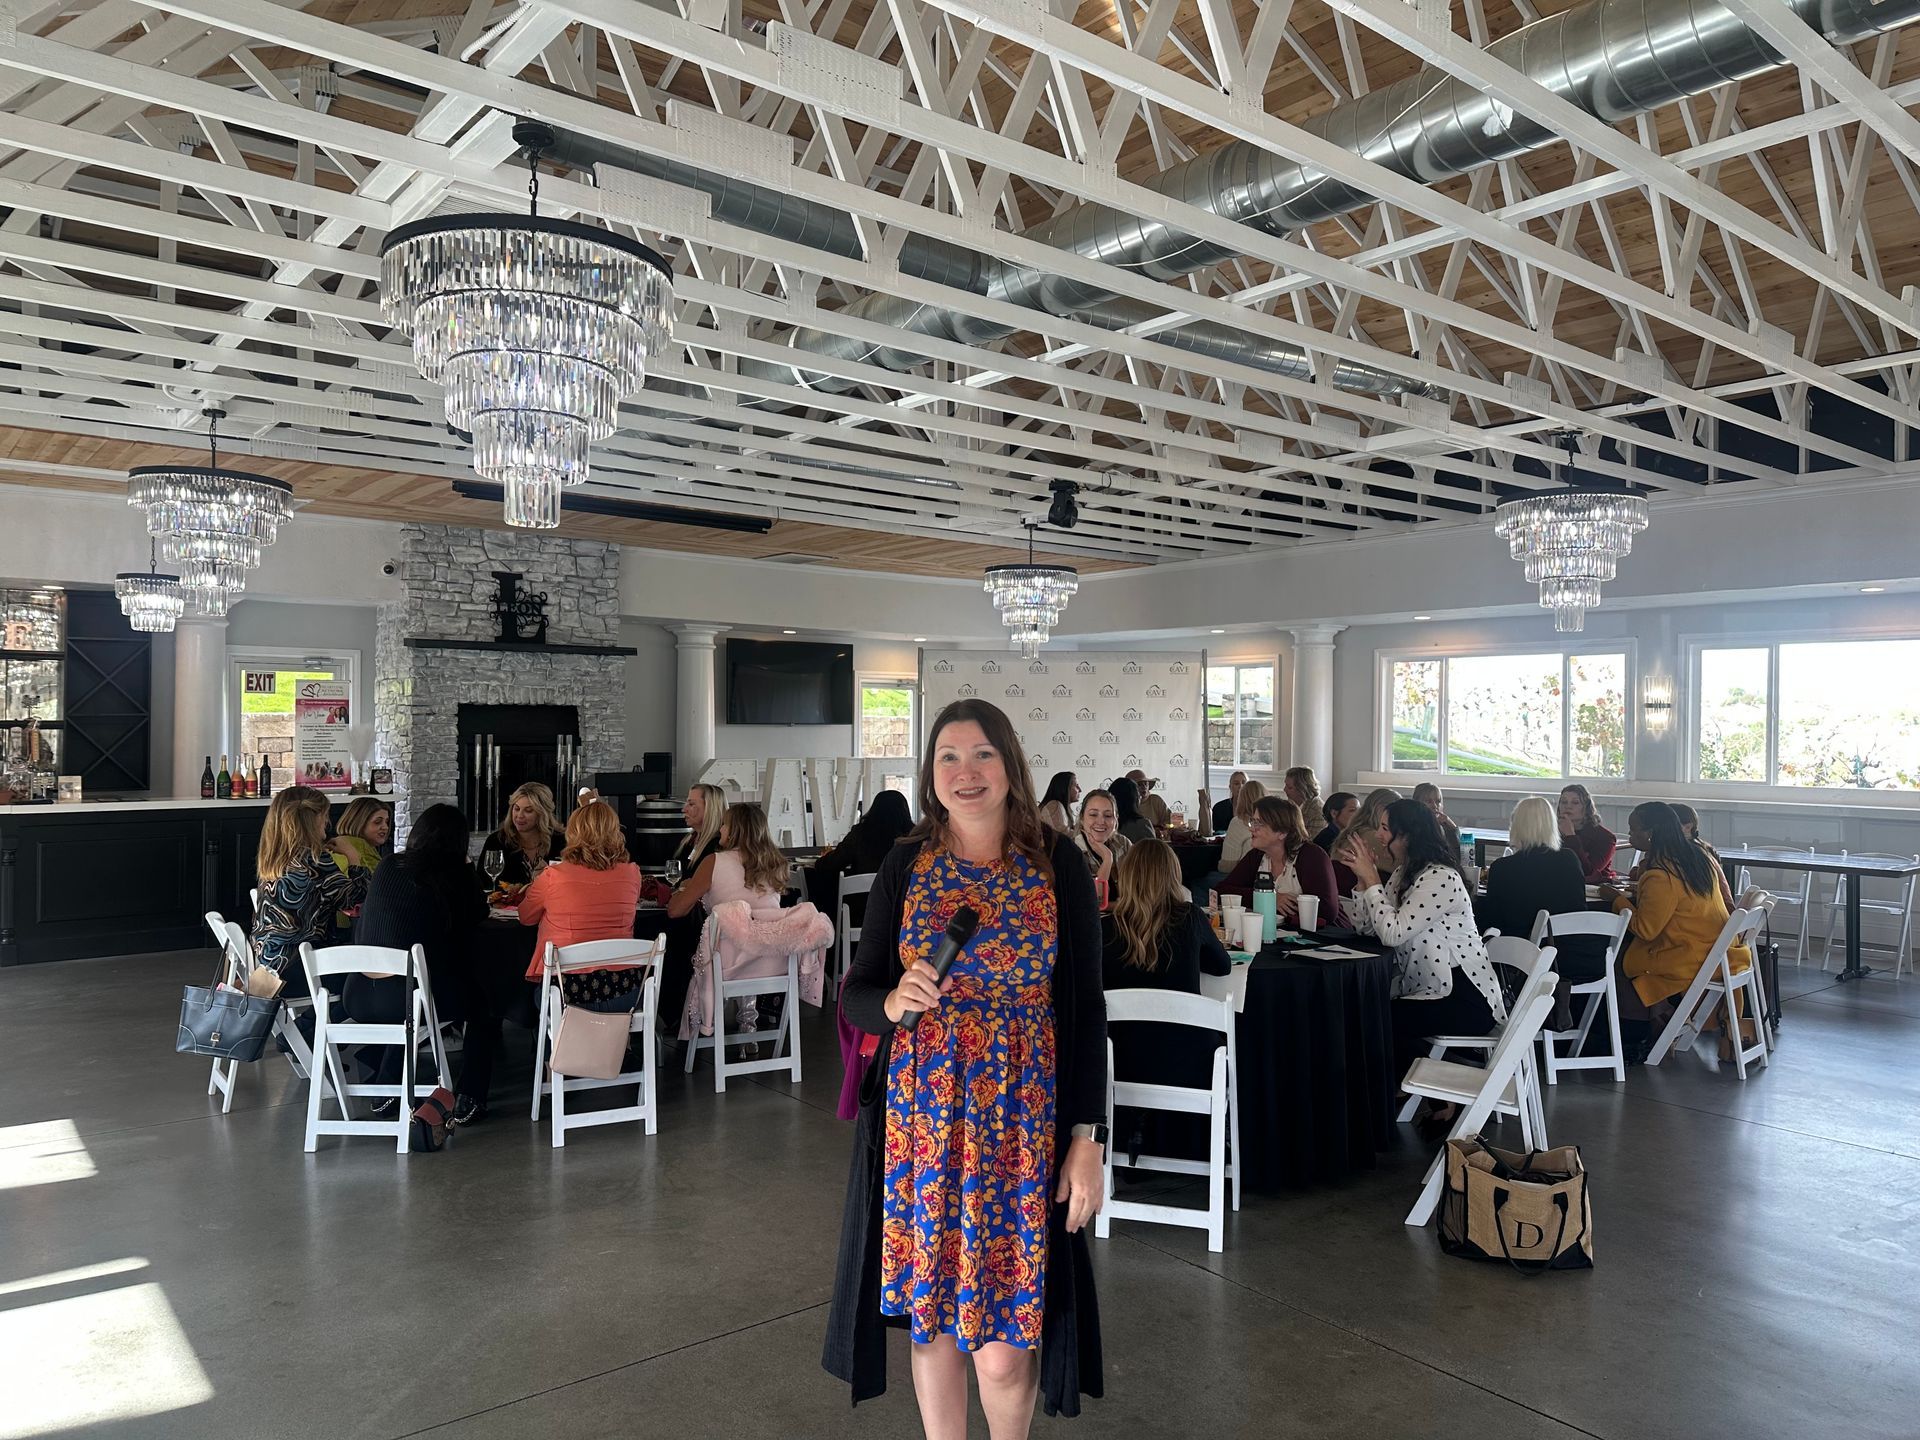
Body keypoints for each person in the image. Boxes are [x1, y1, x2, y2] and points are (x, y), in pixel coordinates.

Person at [826, 698, 1104, 1426]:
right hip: (923, 1132)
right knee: (935, 1327)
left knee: (1006, 1348)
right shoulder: (905, 863)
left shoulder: (1057, 865)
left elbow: (1084, 1008)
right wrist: (890, 1004)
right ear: (930, 774)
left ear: (1010, 765)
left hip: (1022, 1132)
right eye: (948, 756)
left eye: (981, 754)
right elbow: (856, 996)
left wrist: (1086, 1138)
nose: (966, 771)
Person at [1340, 799, 1506, 1079]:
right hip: (1427, 990)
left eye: (1384, 828)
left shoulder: (1440, 878)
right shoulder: (1404, 873)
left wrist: (1373, 880)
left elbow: (1393, 934)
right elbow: (1368, 929)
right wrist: (1362, 883)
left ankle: (1418, 1092)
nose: (1378, 835)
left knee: (1375, 1017)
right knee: (1364, 1011)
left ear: (1406, 835)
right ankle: (1409, 1091)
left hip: (1464, 997)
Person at [342, 803, 486, 1118]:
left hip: (358, 994)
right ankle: (471, 1096)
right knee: (485, 1006)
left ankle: (387, 1086)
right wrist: (467, 869)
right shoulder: (454, 873)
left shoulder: (389, 864)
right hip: (408, 1000)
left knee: (408, 993)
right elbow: (479, 913)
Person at [1102, 840, 1232, 1163]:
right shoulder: (1188, 918)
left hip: (1121, 1062)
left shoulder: (1104, 927)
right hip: (1189, 1062)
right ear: (1174, 877)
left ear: (1126, 876)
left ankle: (1135, 1132)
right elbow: (1222, 966)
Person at [1599, 802, 1750, 1060]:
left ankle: (1633, 1037)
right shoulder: (1697, 858)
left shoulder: (1660, 874)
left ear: (1651, 834)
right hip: (1718, 952)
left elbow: (1646, 929)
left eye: (1634, 830)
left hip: (1688, 957)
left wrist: (1616, 899)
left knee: (1617, 959)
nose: (1630, 836)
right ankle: (1656, 1021)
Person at [672, 802, 791, 1040]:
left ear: (735, 830)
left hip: (727, 966)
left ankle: (693, 1025)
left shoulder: (715, 862)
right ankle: (748, 1024)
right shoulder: (776, 864)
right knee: (749, 935)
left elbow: (675, 911)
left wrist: (681, 892)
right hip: (773, 964)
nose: (720, 830)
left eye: (724, 825)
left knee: (698, 946)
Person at [1476, 796, 1607, 1009]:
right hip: (1573, 956)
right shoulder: (1569, 859)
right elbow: (1577, 907)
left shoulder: (1503, 868)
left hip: (1523, 962)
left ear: (1516, 825)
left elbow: (1494, 921)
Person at [517, 800, 645, 1011]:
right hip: (624, 989)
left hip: (566, 991)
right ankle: (616, 1043)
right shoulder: (632, 873)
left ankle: (555, 1044)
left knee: (539, 999)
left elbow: (526, 917)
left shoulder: (553, 876)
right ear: (615, 832)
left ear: (574, 832)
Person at [252, 785, 371, 997]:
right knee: (368, 980)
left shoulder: (273, 861)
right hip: (301, 970)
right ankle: (311, 1029)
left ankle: (306, 1027)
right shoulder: (314, 861)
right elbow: (359, 901)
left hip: (270, 966)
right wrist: (354, 859)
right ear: (313, 818)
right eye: (325, 815)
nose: (327, 821)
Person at [1213, 794, 1345, 928]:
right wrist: (1270, 899)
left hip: (1326, 936)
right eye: (1253, 821)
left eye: (1259, 823)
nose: (1251, 828)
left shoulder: (1311, 856)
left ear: (1282, 832)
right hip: (1280, 933)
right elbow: (1220, 892)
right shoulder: (1257, 856)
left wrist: (1268, 902)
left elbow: (1327, 911)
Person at [659, 782, 729, 1028]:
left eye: (691, 804)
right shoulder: (690, 841)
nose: (684, 810)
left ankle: (674, 1010)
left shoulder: (715, 848)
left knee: (669, 936)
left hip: (705, 924)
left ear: (709, 808)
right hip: (690, 915)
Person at [811, 790, 914, 923]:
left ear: (874, 809)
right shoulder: (914, 837)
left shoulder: (860, 834)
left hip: (862, 912)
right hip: (904, 911)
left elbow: (829, 865)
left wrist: (823, 858)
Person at [480, 782, 565, 890]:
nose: (519, 816)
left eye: (528, 810)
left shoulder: (561, 841)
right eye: (516, 809)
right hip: (503, 906)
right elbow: (483, 884)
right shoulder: (497, 841)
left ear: (542, 814)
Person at [329, 796, 391, 933]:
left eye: (387, 822)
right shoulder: (357, 848)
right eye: (377, 822)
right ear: (359, 822)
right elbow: (375, 890)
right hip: (353, 928)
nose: (385, 827)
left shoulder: (344, 844)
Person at [1332, 787, 1400, 897]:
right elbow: (1403, 869)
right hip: (1361, 899)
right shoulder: (1374, 837)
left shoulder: (1351, 831)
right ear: (1380, 809)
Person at [1668, 802, 1735, 908]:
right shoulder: (1702, 848)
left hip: (1706, 917)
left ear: (1688, 827)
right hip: (1722, 915)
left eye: (1667, 825)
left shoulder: (1687, 854)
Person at [1073, 788, 1130, 902]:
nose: (1101, 821)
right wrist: (1107, 859)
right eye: (1093, 814)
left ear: (1116, 820)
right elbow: (1096, 903)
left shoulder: (1123, 843)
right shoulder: (1072, 850)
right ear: (1082, 819)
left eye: (1108, 816)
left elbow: (1140, 893)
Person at [1558, 784, 1617, 882]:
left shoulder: (1605, 837)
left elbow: (1588, 872)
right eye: (1564, 802)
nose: (1568, 806)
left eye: (1575, 802)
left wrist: (1571, 836)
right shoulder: (1552, 831)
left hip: (1592, 889)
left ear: (1586, 807)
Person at [1216, 779, 1267, 868]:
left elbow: (1227, 865)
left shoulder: (1238, 822)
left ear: (1242, 799)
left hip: (1245, 875)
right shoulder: (1274, 821)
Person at [1413, 781, 1463, 856]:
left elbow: (1460, 856)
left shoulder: (1443, 827)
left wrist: (1452, 827)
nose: (1435, 806)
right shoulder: (1414, 828)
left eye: (1438, 801)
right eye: (1429, 801)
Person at [1283, 766, 1326, 838]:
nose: (1284, 789)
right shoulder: (1289, 805)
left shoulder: (1318, 811)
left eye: (1290, 787)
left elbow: (1311, 842)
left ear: (1302, 789)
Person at [1110, 775, 1153, 845]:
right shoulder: (1142, 825)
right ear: (1134, 799)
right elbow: (1152, 852)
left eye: (1145, 783)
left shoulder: (1105, 824)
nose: (1141, 797)